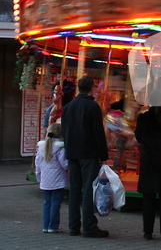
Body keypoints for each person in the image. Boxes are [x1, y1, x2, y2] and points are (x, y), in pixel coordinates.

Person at [61, 76, 109, 238]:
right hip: (88, 153)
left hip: (72, 152)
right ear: (92, 88)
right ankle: (89, 226)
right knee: (88, 189)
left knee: (75, 189)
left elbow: (64, 130)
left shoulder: (68, 107)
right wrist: (103, 155)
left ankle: (73, 226)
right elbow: (98, 133)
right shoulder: (92, 106)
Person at [135, 89, 161, 241]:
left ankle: (147, 231)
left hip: (149, 161)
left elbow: (139, 137)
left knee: (148, 197)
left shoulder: (144, 118)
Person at [35, 123, 69, 234]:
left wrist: (39, 176)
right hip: (58, 180)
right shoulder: (60, 148)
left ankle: (45, 226)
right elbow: (65, 165)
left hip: (45, 180)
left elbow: (38, 164)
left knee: (47, 203)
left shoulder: (41, 148)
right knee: (55, 204)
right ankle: (53, 226)